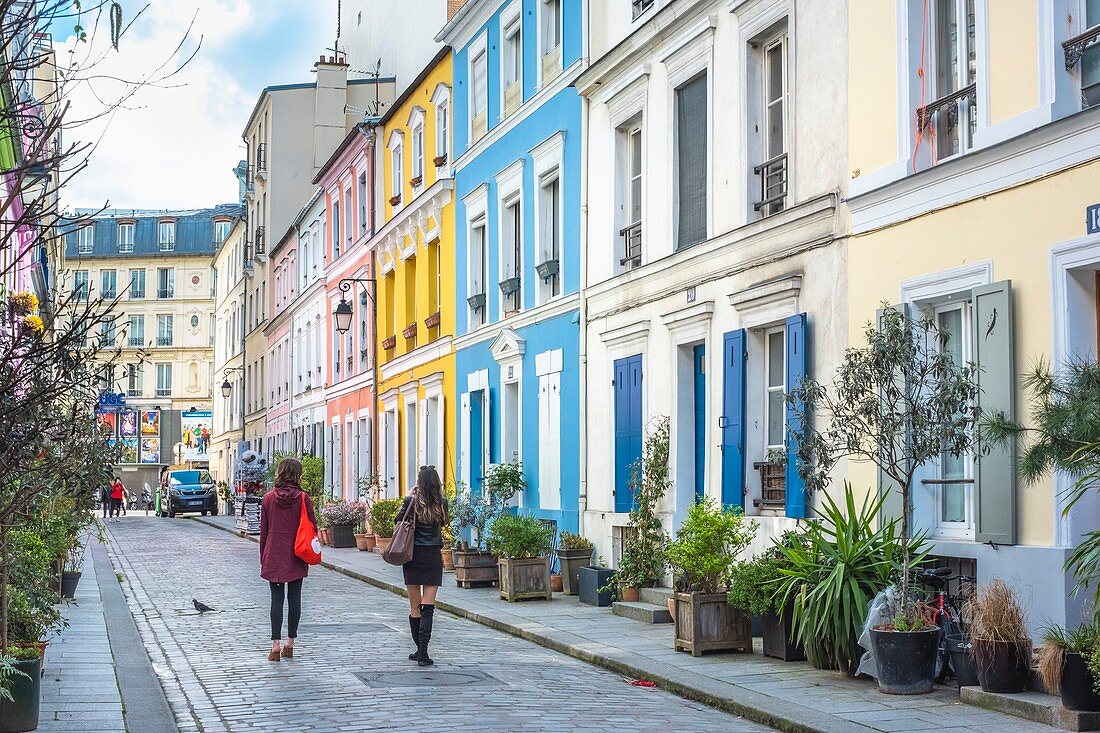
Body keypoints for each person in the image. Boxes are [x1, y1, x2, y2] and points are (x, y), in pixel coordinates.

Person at [259, 457, 317, 662]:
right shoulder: (303, 498)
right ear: (297, 474)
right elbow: (313, 527)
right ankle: (290, 643)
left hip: (274, 553)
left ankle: (275, 646)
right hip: (296, 552)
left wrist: (263, 557)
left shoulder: (267, 499)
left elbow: (263, 532)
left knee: (276, 600)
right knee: (294, 599)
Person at [396, 465, 448, 667]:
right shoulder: (442, 503)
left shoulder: (411, 502)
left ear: (419, 483)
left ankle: (419, 649)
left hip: (412, 556)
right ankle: (423, 652)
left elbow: (398, 520)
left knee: (414, 606)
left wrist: (409, 497)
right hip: (433, 556)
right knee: (429, 606)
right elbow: (443, 523)